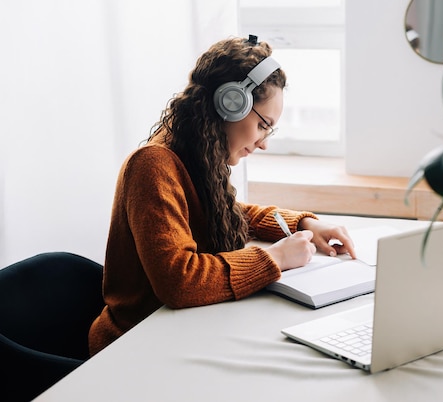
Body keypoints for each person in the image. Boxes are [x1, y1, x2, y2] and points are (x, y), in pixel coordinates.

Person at [88, 35, 357, 356]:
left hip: (178, 334)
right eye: (263, 126)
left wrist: (304, 225)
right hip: (132, 347)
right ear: (230, 102)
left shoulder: (193, 154)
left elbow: (230, 212)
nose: (263, 143)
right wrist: (275, 258)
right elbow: (179, 279)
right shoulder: (153, 164)